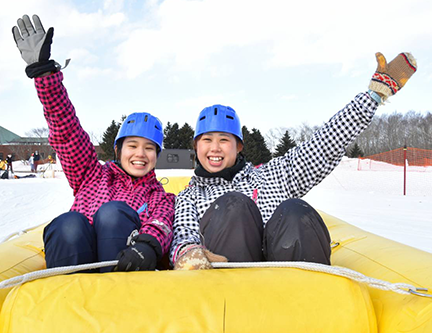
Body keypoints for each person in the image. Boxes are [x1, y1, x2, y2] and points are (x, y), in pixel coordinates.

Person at [170, 52, 417, 270]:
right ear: (196, 146)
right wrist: (188, 253)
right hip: (230, 293)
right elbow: (184, 235)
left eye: (224, 140)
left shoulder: (273, 175)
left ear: (238, 146)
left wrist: (372, 97)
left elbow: (323, 143)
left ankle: (310, 302)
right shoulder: (189, 197)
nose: (215, 148)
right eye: (207, 140)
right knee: (234, 205)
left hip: (286, 290)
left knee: (295, 210)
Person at [12, 14, 175, 273]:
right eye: (132, 146)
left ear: (157, 154)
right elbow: (66, 130)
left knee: (113, 213)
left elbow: (161, 225)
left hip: (122, 273)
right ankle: (64, 297)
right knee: (69, 223)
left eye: (149, 148)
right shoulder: (90, 174)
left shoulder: (161, 198)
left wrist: (147, 245)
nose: (140, 154)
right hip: (78, 266)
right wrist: (44, 74)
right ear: (118, 150)